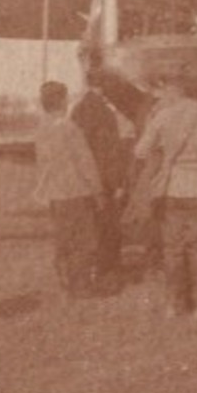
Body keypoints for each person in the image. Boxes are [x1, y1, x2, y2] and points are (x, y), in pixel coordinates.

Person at [131, 63, 197, 317]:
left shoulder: (163, 117)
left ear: (184, 90)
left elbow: (140, 151)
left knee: (173, 249)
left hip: (171, 189)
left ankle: (174, 304)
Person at [35, 81, 105, 298]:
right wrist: (98, 191)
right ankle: (81, 286)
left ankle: (66, 280)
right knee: (84, 242)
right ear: (62, 101)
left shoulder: (41, 129)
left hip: (56, 195)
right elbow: (86, 162)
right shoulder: (70, 128)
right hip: (76, 192)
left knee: (64, 239)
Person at [71, 67, 132, 286]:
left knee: (89, 227)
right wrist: (117, 183)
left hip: (83, 180)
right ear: (102, 86)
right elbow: (110, 152)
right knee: (108, 227)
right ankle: (108, 270)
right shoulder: (104, 113)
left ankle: (89, 271)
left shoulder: (77, 110)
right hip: (103, 180)